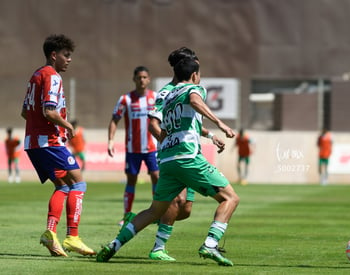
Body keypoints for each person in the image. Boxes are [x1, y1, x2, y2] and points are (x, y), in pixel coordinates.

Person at [97, 57, 239, 266]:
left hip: (167, 159)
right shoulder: (194, 89)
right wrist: (221, 123)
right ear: (194, 75)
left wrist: (207, 136)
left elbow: (167, 123)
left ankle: (114, 245)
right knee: (230, 198)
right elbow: (194, 101)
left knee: (156, 210)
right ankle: (210, 244)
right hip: (187, 157)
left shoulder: (168, 95)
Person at [142, 47, 227, 261]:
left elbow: (189, 123)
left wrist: (210, 135)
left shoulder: (189, 88)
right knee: (176, 201)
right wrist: (169, 142)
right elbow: (153, 124)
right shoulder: (167, 91)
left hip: (188, 151)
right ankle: (158, 247)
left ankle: (148, 218)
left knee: (186, 210)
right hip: (176, 154)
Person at [21, 34, 95, 257]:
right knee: (78, 182)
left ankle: (50, 234)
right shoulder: (52, 77)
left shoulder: (35, 75)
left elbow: (25, 112)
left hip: (32, 142)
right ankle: (73, 236)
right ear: (54, 55)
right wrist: (66, 126)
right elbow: (49, 111)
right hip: (49, 142)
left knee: (62, 185)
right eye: (66, 55)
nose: (69, 60)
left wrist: (40, 128)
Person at [107, 66, 159, 223]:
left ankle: (157, 213)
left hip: (152, 148)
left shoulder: (156, 98)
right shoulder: (126, 99)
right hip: (133, 149)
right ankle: (126, 215)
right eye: (139, 77)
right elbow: (114, 120)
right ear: (134, 79)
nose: (142, 80)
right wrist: (110, 140)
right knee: (131, 180)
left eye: (144, 77)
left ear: (149, 79)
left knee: (156, 177)